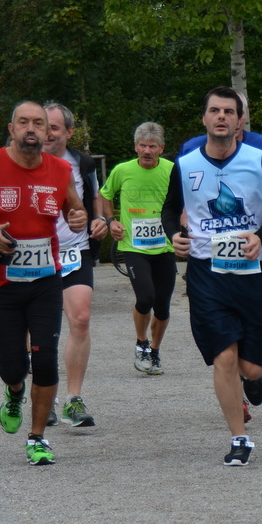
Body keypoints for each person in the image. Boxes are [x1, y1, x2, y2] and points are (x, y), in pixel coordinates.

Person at [162, 87, 262, 465]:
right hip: (206, 272)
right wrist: (175, 237)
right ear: (204, 118)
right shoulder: (184, 165)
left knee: (250, 366)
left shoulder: (259, 159)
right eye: (214, 111)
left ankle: (251, 380)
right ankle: (239, 438)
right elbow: (171, 211)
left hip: (252, 271)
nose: (221, 117)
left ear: (240, 121)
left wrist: (260, 236)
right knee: (224, 357)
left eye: (229, 112)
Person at [0, 102, 86, 465]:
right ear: (11, 128)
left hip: (45, 281)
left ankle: (37, 437)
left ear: (48, 132)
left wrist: (79, 219)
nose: (31, 129)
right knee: (13, 367)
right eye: (24, 122)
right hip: (2, 282)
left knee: (45, 362)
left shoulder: (60, 170)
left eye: (38, 124)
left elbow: (75, 210)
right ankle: (14, 392)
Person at [44, 103, 106, 429]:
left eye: (55, 128)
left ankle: (73, 399)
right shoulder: (22, 161)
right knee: (41, 330)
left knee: (80, 319)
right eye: (43, 126)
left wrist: (99, 220)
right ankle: (46, 398)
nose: (47, 134)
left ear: (68, 132)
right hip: (36, 254)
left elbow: (93, 198)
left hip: (74, 250)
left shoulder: (81, 163)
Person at [99, 122, 177, 375]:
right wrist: (112, 222)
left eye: (152, 146)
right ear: (135, 147)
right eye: (142, 146)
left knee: (163, 306)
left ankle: (154, 350)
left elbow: (184, 202)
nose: (146, 151)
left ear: (161, 148)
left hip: (164, 246)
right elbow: (105, 195)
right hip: (134, 246)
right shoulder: (122, 170)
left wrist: (181, 226)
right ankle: (141, 343)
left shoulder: (172, 170)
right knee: (145, 298)